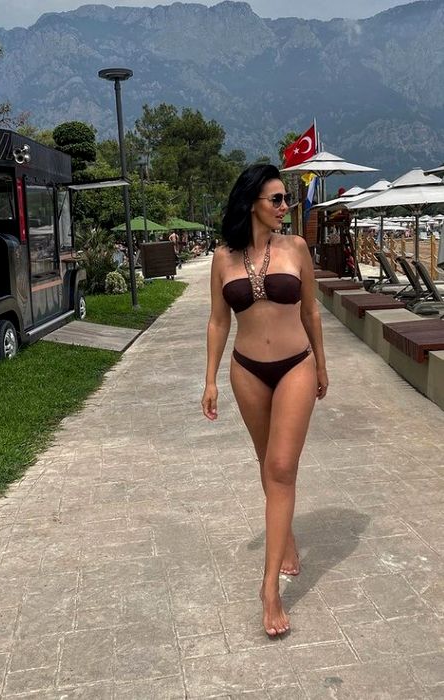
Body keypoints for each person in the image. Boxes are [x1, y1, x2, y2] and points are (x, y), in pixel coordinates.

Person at [201, 163, 328, 638]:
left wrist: (322, 365)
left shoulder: (295, 248)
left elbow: (311, 311)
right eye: (276, 199)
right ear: (251, 202)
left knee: (280, 467)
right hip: (247, 370)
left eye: (285, 200)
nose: (284, 207)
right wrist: (210, 379)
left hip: (296, 365)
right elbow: (218, 321)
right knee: (265, 461)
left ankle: (269, 588)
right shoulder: (222, 258)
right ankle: (286, 537)